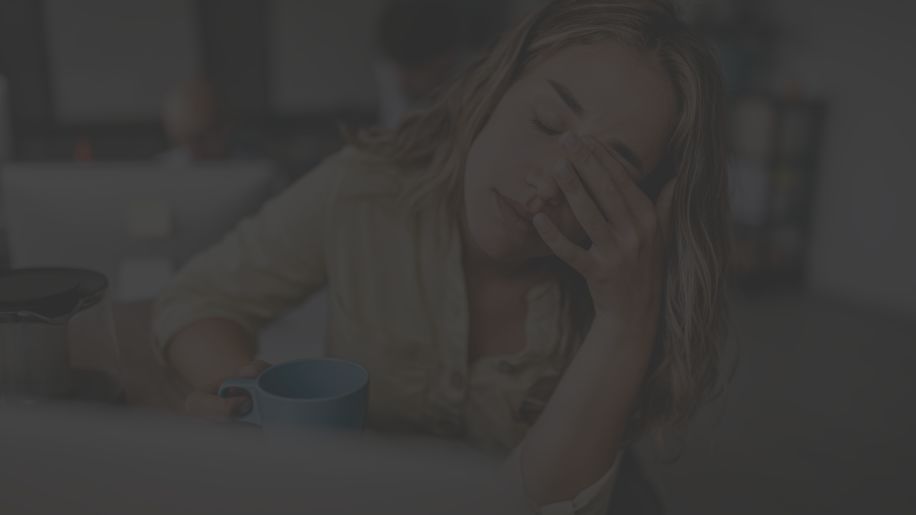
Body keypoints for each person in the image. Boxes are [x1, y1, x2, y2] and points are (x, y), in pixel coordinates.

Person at [152, 1, 731, 513]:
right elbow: (198, 298)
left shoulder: (629, 296)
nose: (548, 184)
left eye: (607, 175)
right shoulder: (367, 188)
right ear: (498, 84)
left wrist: (624, 324)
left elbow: (537, 505)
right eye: (546, 121)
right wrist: (240, 395)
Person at [374, 0, 468, 128]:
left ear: (445, 60)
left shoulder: (471, 81)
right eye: (398, 67)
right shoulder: (390, 65)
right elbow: (396, 129)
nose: (402, 81)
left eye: (412, 71)